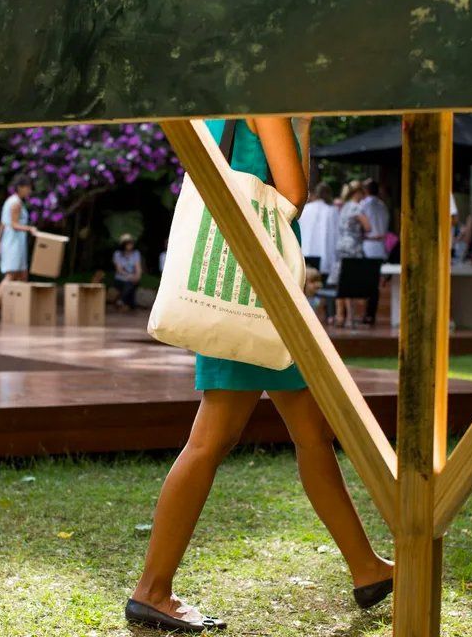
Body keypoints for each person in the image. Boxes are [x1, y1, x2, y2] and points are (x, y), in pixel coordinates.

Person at [128, 117, 393, 633]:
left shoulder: (214, 107)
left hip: (240, 284)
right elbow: (292, 193)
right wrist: (304, 127)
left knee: (311, 432)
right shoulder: (266, 104)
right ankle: (153, 589)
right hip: (253, 292)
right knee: (213, 438)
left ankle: (365, 567)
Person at [330, 180, 369, 328]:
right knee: (351, 282)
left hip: (341, 245)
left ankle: (340, 315)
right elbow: (368, 226)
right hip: (353, 246)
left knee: (341, 282)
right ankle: (350, 318)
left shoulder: (344, 206)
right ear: (358, 193)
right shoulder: (356, 208)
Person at [0, 174, 36, 302]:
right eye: (28, 188)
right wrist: (30, 229)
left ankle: (19, 310)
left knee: (23, 275)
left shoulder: (11, 201)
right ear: (20, 187)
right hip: (13, 243)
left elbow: (2, 224)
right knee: (10, 276)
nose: (29, 191)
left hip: (12, 242)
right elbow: (14, 224)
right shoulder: (16, 203)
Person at [360, 180, 389, 326]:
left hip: (368, 244)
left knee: (366, 281)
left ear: (366, 190)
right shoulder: (383, 206)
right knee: (376, 283)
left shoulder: (364, 205)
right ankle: (371, 314)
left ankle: (366, 313)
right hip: (380, 246)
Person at [298, 182, 339, 279]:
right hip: (325, 253)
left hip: (306, 251)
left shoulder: (306, 208)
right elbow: (336, 234)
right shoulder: (332, 210)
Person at [113, 233, 142, 310]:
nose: (130, 245)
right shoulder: (117, 254)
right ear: (123, 244)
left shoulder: (136, 253)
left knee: (131, 283)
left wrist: (138, 276)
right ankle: (122, 301)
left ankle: (121, 300)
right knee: (129, 284)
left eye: (131, 243)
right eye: (128, 243)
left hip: (132, 279)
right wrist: (130, 276)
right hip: (121, 278)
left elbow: (138, 267)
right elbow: (119, 270)